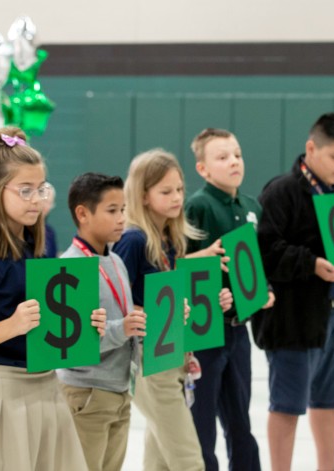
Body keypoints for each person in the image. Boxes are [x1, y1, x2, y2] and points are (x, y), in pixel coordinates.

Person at [0, 127, 104, 471]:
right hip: (0, 391)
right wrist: (12, 325)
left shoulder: (38, 249)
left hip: (47, 384)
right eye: (25, 190)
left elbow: (48, 326)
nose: (37, 199)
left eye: (41, 188)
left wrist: (85, 324)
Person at [254, 112, 334, 471]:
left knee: (328, 401)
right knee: (287, 405)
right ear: (311, 148)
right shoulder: (281, 192)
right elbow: (265, 250)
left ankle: (328, 466)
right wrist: (311, 264)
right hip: (293, 321)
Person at [113, 148, 231, 471]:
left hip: (171, 355)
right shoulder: (133, 240)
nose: (177, 197)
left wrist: (211, 299)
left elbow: (169, 294)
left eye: (179, 189)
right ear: (143, 195)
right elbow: (113, 301)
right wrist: (156, 313)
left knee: (160, 460)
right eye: (166, 191)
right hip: (148, 361)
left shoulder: (167, 238)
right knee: (189, 460)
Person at [185, 128, 275, 471]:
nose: (234, 162)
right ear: (203, 169)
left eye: (237, 154)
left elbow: (256, 264)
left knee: (240, 422)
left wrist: (265, 291)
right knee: (202, 424)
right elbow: (179, 265)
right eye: (222, 157)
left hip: (238, 331)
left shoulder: (251, 206)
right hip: (204, 333)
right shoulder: (197, 206)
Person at [57, 173, 146, 471]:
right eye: (112, 210)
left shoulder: (116, 260)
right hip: (87, 394)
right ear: (83, 214)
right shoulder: (71, 268)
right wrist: (123, 329)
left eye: (123, 209)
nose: (122, 218)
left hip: (119, 391)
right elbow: (74, 346)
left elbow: (123, 321)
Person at [43, 182, 59, 258]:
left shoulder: (50, 232)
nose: (45, 206)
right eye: (44, 201)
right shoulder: (21, 231)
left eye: (49, 203)